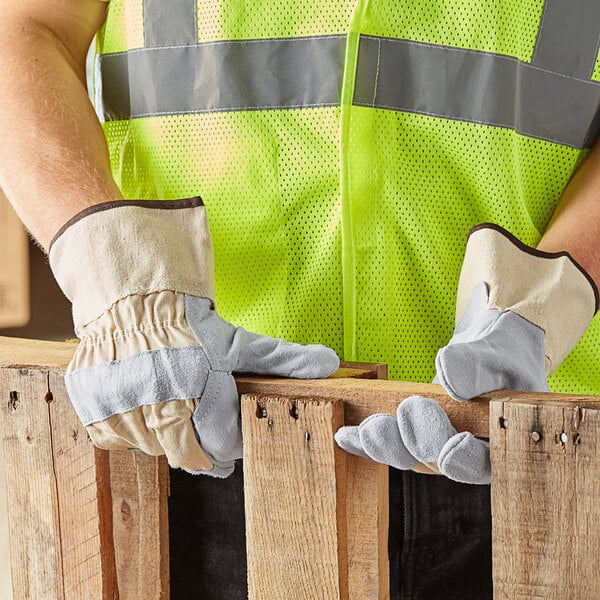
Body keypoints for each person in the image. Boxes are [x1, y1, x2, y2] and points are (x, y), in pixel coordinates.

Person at [1, 1, 599, 598]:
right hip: (194, 420)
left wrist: (549, 300)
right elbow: (24, 27)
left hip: (540, 435)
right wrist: (123, 289)